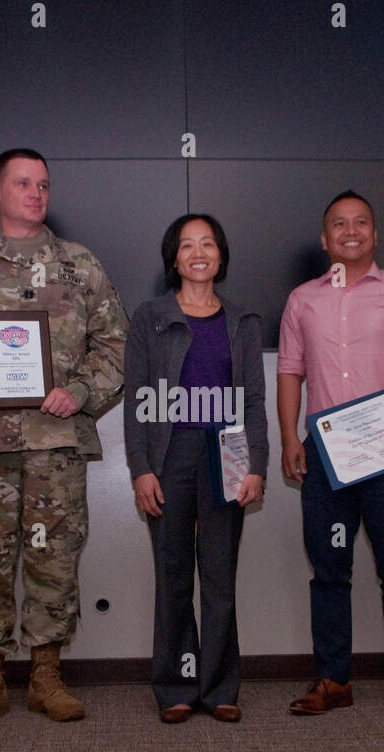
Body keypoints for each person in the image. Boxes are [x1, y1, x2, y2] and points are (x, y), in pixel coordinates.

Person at [0, 148, 127, 726]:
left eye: (43, 184)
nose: (35, 193)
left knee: (54, 558)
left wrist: (81, 393)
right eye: (22, 183)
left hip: (55, 443)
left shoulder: (80, 265)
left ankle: (46, 674)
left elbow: (115, 347)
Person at [277, 190, 384, 719]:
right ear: (325, 239)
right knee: (329, 571)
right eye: (340, 224)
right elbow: (290, 373)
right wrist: (289, 439)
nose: (351, 231)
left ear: (376, 233)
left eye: (361, 222)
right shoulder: (303, 299)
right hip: (325, 459)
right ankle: (333, 679)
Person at [124, 214, 267, 723]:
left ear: (221, 255)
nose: (198, 252)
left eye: (207, 243)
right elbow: (139, 400)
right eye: (187, 245)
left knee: (220, 574)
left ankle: (220, 687)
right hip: (169, 455)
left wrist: (255, 464)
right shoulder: (149, 317)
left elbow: (253, 400)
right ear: (174, 257)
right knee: (173, 574)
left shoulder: (243, 321)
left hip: (226, 455)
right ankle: (176, 687)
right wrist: (141, 467)